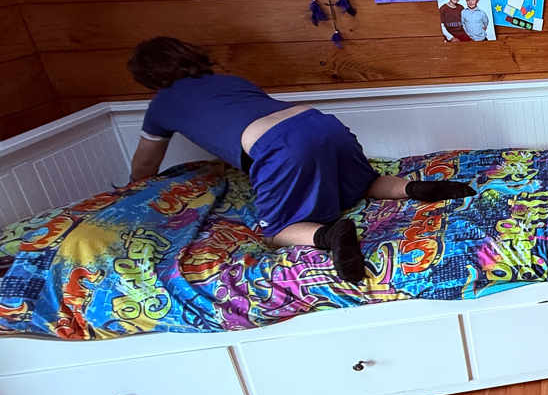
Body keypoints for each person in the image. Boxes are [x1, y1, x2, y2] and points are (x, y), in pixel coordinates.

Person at [125, 37, 475, 283]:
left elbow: (144, 167)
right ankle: (415, 188)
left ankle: (329, 235)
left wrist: (132, 191)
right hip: (317, 122)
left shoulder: (161, 104)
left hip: (277, 143)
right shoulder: (230, 81)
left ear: (149, 78)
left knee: (276, 231)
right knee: (362, 183)